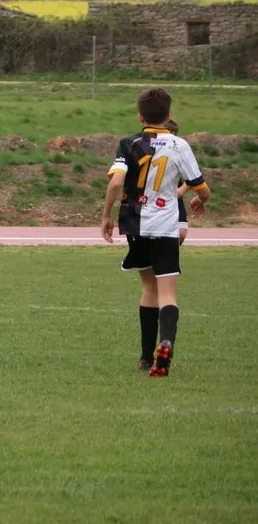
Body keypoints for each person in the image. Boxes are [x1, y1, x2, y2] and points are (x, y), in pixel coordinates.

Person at [101, 88, 211, 377]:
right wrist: (201, 199)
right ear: (168, 115)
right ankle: (167, 342)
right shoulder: (179, 145)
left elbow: (116, 183)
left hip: (136, 226)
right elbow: (200, 186)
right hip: (166, 227)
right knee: (168, 293)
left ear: (140, 116)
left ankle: (145, 358)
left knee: (148, 289)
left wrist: (106, 216)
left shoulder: (129, 144)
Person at [164, 119, 189, 245]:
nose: (170, 135)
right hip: (154, 197)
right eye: (168, 132)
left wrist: (182, 189)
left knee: (181, 232)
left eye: (173, 133)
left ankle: (169, 254)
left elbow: (193, 176)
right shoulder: (150, 148)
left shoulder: (180, 150)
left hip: (174, 197)